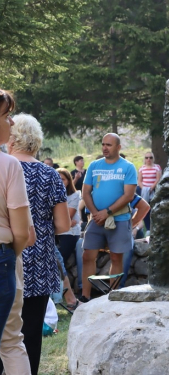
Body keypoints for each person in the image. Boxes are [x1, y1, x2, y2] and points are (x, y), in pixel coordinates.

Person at [7, 113, 70, 375]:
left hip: (9, 257)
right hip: (40, 262)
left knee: (5, 333)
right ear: (36, 140)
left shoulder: (4, 169)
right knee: (31, 331)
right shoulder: (50, 175)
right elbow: (64, 225)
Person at [0, 91, 34, 375]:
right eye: (6, 115)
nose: (11, 123)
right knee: (10, 343)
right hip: (2, 258)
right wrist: (11, 255)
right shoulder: (9, 165)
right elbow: (22, 232)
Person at [80, 133, 137, 303]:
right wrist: (96, 214)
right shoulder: (94, 165)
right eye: (103, 144)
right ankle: (85, 297)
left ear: (118, 147)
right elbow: (85, 192)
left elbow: (128, 196)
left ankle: (113, 297)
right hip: (96, 219)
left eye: (109, 145)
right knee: (87, 255)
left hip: (118, 219)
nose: (105, 147)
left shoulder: (128, 167)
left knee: (116, 257)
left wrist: (107, 212)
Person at [55, 168, 81, 265]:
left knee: (59, 262)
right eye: (57, 179)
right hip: (53, 232)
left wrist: (66, 222)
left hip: (69, 232)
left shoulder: (74, 195)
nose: (59, 182)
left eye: (62, 179)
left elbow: (66, 217)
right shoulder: (48, 195)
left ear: (69, 181)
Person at [138, 151, 161, 231]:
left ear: (153, 158)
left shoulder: (157, 167)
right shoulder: (141, 168)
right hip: (144, 191)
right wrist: (144, 188)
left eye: (150, 157)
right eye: (147, 157)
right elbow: (139, 181)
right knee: (145, 209)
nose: (148, 159)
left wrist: (151, 188)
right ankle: (148, 228)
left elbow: (158, 179)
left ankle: (155, 228)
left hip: (154, 190)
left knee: (154, 209)